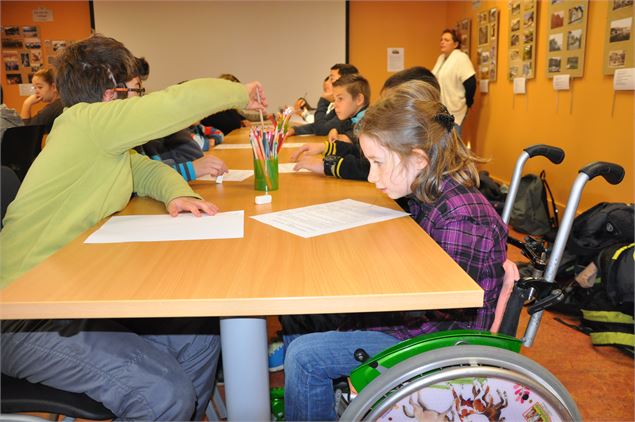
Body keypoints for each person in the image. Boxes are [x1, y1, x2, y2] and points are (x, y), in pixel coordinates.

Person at [1, 34, 266, 420]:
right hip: (19, 314)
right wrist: (237, 92)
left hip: (69, 297)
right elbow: (172, 104)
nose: (142, 100)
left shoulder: (103, 142)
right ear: (111, 95)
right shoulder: (86, 123)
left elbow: (146, 170)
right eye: (137, 92)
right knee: (162, 393)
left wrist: (177, 194)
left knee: (200, 336)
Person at [283, 80, 507, 421]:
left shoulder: (462, 215)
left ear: (418, 158)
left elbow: (446, 314)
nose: (373, 177)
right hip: (417, 318)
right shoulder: (427, 190)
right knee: (298, 308)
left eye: (379, 162)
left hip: (434, 342)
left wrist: (366, 304)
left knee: (304, 356)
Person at [291, 73, 369, 180]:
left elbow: (366, 165)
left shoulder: (369, 123)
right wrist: (325, 146)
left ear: (359, 100)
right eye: (335, 99)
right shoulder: (350, 116)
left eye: (340, 99)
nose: (335, 104)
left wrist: (327, 164)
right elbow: (356, 150)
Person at [288, 63, 359, 136]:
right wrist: (294, 130)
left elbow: (320, 130)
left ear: (345, 82)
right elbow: (318, 126)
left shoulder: (348, 108)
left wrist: (323, 101)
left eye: (331, 79)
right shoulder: (340, 107)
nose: (327, 83)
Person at [431, 29, 476, 134]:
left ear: (456, 44)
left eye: (446, 40)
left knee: (452, 141)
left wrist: (468, 102)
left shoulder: (461, 58)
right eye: (441, 40)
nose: (442, 42)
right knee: (443, 141)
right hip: (441, 109)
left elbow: (471, 83)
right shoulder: (441, 58)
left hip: (454, 108)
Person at [20, 68, 64, 133]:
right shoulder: (62, 102)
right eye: (35, 88)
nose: (36, 92)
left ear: (54, 87)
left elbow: (26, 131)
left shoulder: (53, 108)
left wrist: (26, 104)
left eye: (40, 87)